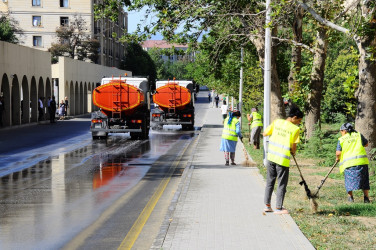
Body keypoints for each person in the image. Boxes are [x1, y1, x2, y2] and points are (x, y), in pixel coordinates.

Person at [263, 105, 303, 214]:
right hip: (282, 160)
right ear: (294, 117)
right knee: (281, 183)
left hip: (271, 157)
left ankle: (267, 206)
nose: (299, 123)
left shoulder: (277, 122)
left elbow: (265, 133)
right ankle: (279, 208)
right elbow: (293, 146)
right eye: (299, 120)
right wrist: (293, 152)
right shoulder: (295, 129)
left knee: (270, 182)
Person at [336, 123, 370, 203]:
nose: (341, 133)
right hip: (362, 162)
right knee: (364, 180)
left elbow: (338, 153)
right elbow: (366, 144)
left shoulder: (342, 139)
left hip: (349, 164)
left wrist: (337, 158)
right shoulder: (358, 135)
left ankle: (350, 197)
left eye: (341, 131)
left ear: (344, 131)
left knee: (349, 181)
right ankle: (366, 198)